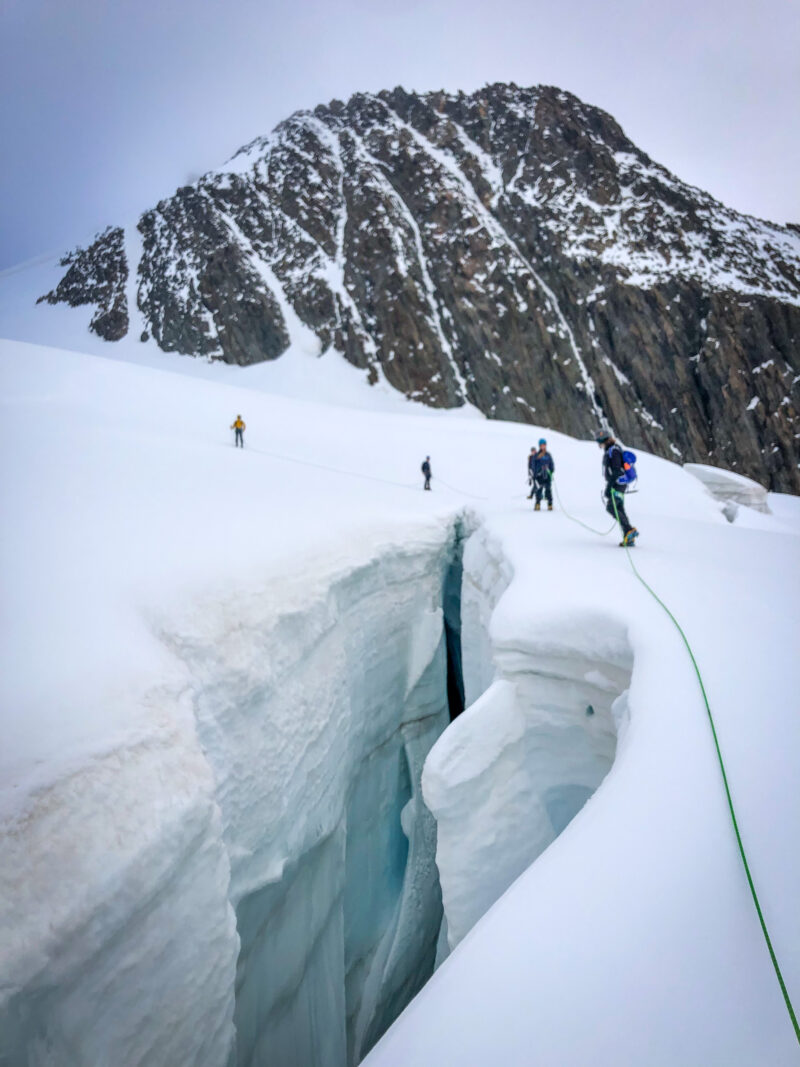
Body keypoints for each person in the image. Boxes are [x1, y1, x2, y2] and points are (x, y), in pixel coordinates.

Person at [596, 433, 638, 546]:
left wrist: (609, 487)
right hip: (619, 484)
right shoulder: (613, 449)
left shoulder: (613, 451)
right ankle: (629, 538)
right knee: (619, 507)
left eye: (598, 442)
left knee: (611, 507)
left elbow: (616, 471)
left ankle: (629, 530)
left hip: (617, 484)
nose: (598, 445)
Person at [528, 438, 554, 511]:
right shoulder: (536, 455)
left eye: (544, 445)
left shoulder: (548, 455)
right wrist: (535, 473)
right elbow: (533, 465)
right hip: (539, 475)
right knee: (539, 490)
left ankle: (550, 504)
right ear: (539, 446)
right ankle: (537, 504)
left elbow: (551, 464)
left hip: (547, 475)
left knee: (548, 489)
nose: (543, 446)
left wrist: (551, 470)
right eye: (541, 445)